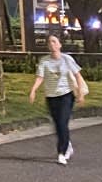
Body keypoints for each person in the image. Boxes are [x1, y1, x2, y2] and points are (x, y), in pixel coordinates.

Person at [29, 34, 88, 164]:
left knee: (62, 122)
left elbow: (77, 76)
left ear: (60, 45)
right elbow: (40, 77)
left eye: (54, 41)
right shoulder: (44, 61)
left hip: (66, 95)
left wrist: (80, 94)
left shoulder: (67, 59)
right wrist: (33, 90)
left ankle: (62, 152)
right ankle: (67, 143)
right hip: (51, 96)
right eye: (50, 42)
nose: (52, 44)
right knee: (58, 125)